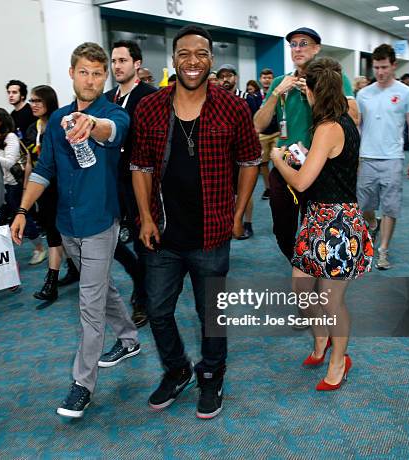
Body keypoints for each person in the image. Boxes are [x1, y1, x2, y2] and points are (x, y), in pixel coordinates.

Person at [131, 25, 261, 419]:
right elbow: (140, 166)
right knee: (156, 310)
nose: (192, 61)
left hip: (212, 231)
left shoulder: (232, 107)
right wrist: (146, 218)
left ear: (211, 60)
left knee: (212, 314)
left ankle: (212, 374)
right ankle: (177, 370)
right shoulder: (150, 108)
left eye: (201, 54)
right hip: (164, 235)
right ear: (173, 60)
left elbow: (250, 161)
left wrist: (238, 214)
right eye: (184, 53)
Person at [11, 42, 139, 419]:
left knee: (90, 304)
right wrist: (21, 209)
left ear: (106, 76)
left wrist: (91, 125)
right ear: (71, 74)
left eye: (98, 73)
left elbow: (112, 130)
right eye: (84, 71)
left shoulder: (112, 113)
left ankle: (82, 384)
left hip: (100, 223)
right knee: (101, 288)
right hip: (66, 225)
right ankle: (129, 339)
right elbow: (44, 169)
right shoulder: (56, 120)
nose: (91, 79)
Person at [270, 57, 373, 391]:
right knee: (302, 292)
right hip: (317, 219)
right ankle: (321, 341)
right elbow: (323, 170)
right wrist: (300, 157)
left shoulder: (330, 128)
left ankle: (339, 360)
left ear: (313, 92)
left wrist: (276, 159)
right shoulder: (334, 123)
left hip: (338, 225)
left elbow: (300, 183)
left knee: (331, 300)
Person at [254, 27, 358, 262]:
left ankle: (310, 267)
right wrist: (275, 94)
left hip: (320, 167)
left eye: (304, 43)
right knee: (282, 229)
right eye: (293, 44)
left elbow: (353, 117)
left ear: (317, 48)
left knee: (316, 225)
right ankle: (298, 261)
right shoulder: (280, 82)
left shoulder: (334, 77)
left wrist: (318, 94)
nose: (298, 49)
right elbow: (258, 125)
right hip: (285, 164)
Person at [105, 40, 157, 328]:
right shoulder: (107, 98)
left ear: (137, 64)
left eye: (122, 60)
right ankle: (140, 278)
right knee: (110, 240)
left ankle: (143, 298)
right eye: (114, 61)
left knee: (142, 240)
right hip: (111, 181)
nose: (117, 66)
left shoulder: (151, 96)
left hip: (140, 180)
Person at [356, 44, 409, 270]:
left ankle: (383, 250)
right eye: (376, 68)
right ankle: (373, 223)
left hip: (393, 158)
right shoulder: (363, 94)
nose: (380, 72)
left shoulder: (406, 93)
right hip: (366, 157)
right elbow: (359, 127)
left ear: (394, 65)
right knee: (364, 205)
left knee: (390, 207)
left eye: (384, 67)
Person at [23, 85, 77, 306]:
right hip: (41, 189)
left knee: (58, 235)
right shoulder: (30, 129)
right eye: (31, 101)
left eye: (38, 100)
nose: (34, 104)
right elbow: (29, 161)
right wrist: (27, 190)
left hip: (60, 187)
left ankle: (51, 283)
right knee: (55, 234)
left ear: (48, 102)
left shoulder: (59, 125)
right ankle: (73, 270)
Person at [0, 108, 45, 261]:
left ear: (1, 121)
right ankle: (0, 255)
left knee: (23, 217)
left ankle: (39, 248)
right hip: (1, 185)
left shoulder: (10, 137)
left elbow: (10, 162)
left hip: (14, 185)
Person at [216, 63, 262, 240]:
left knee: (243, 190)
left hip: (242, 153)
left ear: (236, 77)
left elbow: (255, 125)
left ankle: (247, 223)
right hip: (222, 154)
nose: (225, 79)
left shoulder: (247, 98)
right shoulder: (214, 99)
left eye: (229, 75)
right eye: (222, 76)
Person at [255, 68, 280, 202]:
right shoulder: (255, 96)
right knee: (263, 163)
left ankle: (278, 186)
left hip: (277, 133)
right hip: (262, 135)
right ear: (260, 79)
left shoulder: (278, 94)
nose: (266, 80)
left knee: (278, 162)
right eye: (264, 78)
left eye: (269, 78)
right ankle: (268, 187)